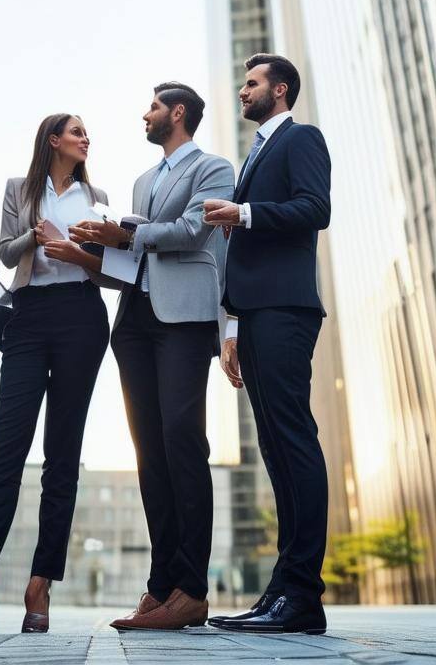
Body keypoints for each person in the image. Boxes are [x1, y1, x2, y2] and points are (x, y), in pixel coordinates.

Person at [70, 83, 234, 631]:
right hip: (136, 321)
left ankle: (191, 588)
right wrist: (101, 246)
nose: (145, 114)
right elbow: (139, 254)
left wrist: (126, 233)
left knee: (183, 442)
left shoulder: (214, 168)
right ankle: (161, 587)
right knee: (149, 456)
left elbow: (192, 233)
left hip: (184, 320)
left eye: (153, 107)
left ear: (178, 112)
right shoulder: (143, 181)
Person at [0, 114, 110, 635]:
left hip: (82, 317)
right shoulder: (18, 188)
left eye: (86, 133)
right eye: (76, 131)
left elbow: (109, 268)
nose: (85, 138)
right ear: (53, 140)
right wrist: (35, 235)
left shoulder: (98, 195)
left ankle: (40, 583)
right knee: (6, 449)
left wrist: (76, 249)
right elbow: (4, 252)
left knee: (63, 455)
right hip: (27, 316)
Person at [203, 54, 331, 636]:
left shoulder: (301, 138)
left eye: (252, 83)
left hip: (285, 309)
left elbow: (314, 209)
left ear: (280, 90)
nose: (242, 89)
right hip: (255, 315)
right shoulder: (256, 152)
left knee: (294, 443)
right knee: (277, 453)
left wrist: (244, 211)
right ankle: (282, 592)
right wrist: (232, 325)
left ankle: (303, 594)